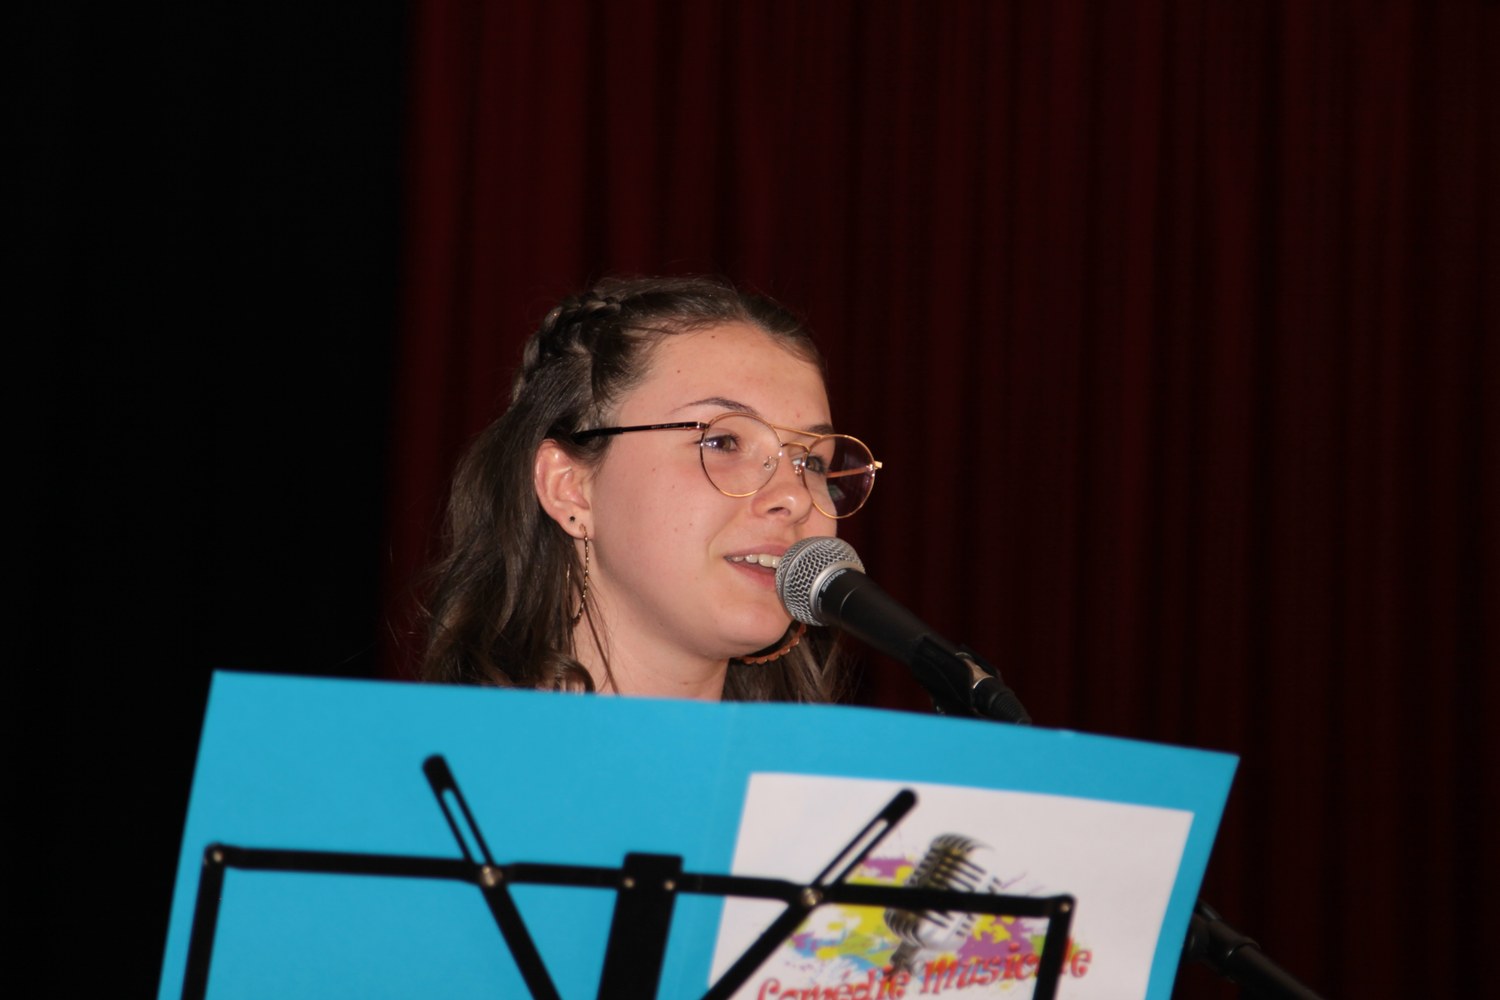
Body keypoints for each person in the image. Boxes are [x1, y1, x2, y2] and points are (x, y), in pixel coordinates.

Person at [420, 276, 881, 702]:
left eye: (812, 462)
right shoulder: (434, 758)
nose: (796, 497)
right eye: (723, 442)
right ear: (570, 488)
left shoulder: (839, 766)